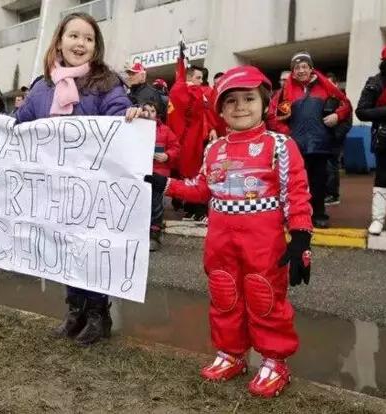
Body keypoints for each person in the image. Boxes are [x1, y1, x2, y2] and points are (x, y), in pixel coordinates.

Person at [145, 66, 313, 398]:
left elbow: (297, 193)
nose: (240, 107)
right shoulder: (215, 150)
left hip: (264, 244)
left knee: (264, 297)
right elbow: (199, 190)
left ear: (264, 104)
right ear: (220, 110)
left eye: (248, 99)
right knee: (224, 296)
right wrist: (167, 185)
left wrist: (301, 240)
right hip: (220, 243)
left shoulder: (279, 145)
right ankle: (231, 354)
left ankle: (274, 361)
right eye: (230, 101)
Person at [15, 12, 143, 346]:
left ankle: (99, 314)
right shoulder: (42, 86)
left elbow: (117, 115)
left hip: (93, 187)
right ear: (59, 40)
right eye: (74, 36)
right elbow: (21, 123)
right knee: (66, 250)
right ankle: (75, 310)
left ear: (95, 46)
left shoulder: (106, 82)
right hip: (55, 189)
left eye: (88, 38)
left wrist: (130, 115)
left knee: (91, 250)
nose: (80, 43)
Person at [267, 52, 351, 228]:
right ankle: (298, 214)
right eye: (297, 67)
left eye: (304, 66)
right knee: (296, 183)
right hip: (296, 146)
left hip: (320, 145)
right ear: (293, 71)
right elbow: (273, 117)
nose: (301, 70)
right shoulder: (285, 93)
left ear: (311, 68)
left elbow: (346, 105)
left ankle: (319, 214)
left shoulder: (326, 87)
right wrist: (288, 134)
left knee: (319, 181)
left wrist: (337, 115)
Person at [167, 43, 212, 221]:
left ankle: (193, 208)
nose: (202, 82)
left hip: (190, 139)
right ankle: (195, 208)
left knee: (193, 173)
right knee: (193, 173)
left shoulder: (181, 88)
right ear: (191, 77)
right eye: (199, 78)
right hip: (188, 141)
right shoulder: (185, 90)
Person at [356, 42, 386, 235]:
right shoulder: (375, 82)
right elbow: (361, 111)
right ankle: (378, 220)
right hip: (385, 136)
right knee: (383, 176)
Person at [142, 101, 180, 251]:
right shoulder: (133, 127)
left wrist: (167, 156)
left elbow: (176, 147)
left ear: (156, 113)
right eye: (146, 110)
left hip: (158, 172)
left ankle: (154, 234)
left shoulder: (165, 130)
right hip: (139, 172)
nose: (149, 114)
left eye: (152, 111)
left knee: (156, 204)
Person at [324, 73, 353, 206]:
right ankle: (326, 193)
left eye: (330, 83)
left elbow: (347, 122)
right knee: (324, 168)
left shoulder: (343, 100)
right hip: (323, 140)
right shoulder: (325, 99)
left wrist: (335, 136)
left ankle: (333, 194)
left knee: (331, 167)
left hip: (334, 140)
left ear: (336, 84)